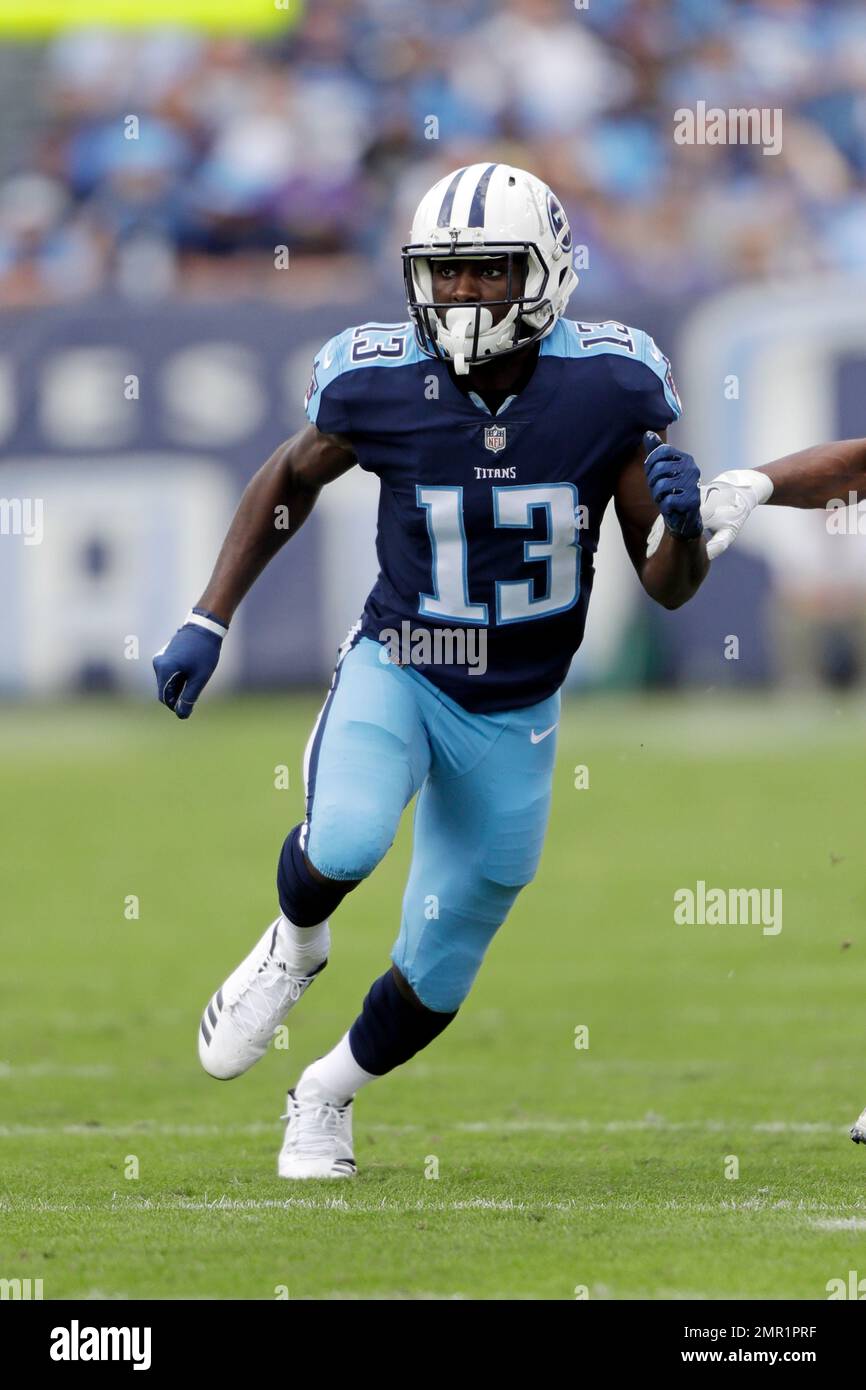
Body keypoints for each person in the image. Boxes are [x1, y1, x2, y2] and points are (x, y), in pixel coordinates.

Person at [153, 161, 713, 1179]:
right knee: (350, 835)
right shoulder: (376, 376)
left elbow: (667, 585)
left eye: (487, 272)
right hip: (402, 664)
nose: (460, 295)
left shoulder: (608, 385)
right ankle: (293, 942)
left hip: (519, 706)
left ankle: (323, 1095)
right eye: (444, 274)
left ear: (543, 273)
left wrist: (683, 524)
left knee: (443, 958)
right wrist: (209, 614)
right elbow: (289, 473)